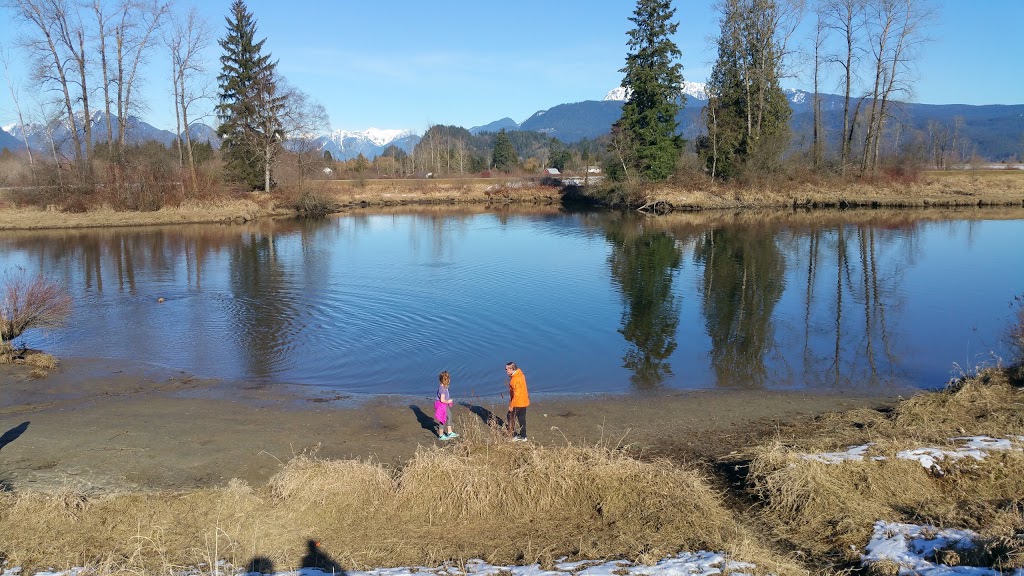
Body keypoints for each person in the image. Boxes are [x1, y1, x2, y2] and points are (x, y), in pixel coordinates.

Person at [504, 361, 529, 441]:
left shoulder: (515, 379)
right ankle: (523, 436)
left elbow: (516, 395)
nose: (505, 370)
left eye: (507, 369)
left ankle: (512, 436)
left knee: (510, 417)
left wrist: (511, 405)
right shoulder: (520, 374)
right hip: (524, 401)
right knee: (522, 419)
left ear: (512, 369)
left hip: (517, 403)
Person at [434, 370, 458, 440]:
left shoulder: (442, 386)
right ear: (446, 380)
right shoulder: (443, 389)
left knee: (449, 416)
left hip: (443, 405)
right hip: (441, 405)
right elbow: (442, 400)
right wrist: (449, 401)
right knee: (443, 419)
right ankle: (441, 436)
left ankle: (450, 432)